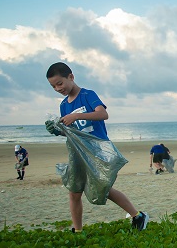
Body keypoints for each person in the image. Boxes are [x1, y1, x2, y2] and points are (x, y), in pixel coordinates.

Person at [45, 62, 148, 232]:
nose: (57, 88)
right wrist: (58, 131)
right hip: (78, 151)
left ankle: (138, 216)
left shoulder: (87, 95)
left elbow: (103, 114)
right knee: (74, 191)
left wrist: (76, 115)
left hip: (96, 149)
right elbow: (73, 131)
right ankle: (77, 230)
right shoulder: (63, 105)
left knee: (103, 189)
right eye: (53, 86)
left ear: (71, 77)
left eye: (60, 83)